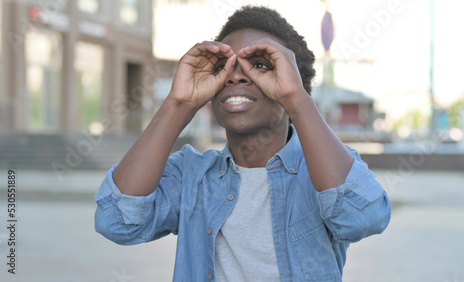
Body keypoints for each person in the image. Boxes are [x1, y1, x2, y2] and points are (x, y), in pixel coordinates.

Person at [94, 5, 391, 282]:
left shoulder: (325, 170)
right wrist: (179, 104)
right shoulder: (190, 175)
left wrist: (298, 100)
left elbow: (361, 218)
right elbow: (117, 221)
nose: (236, 77)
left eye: (260, 66)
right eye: (224, 66)